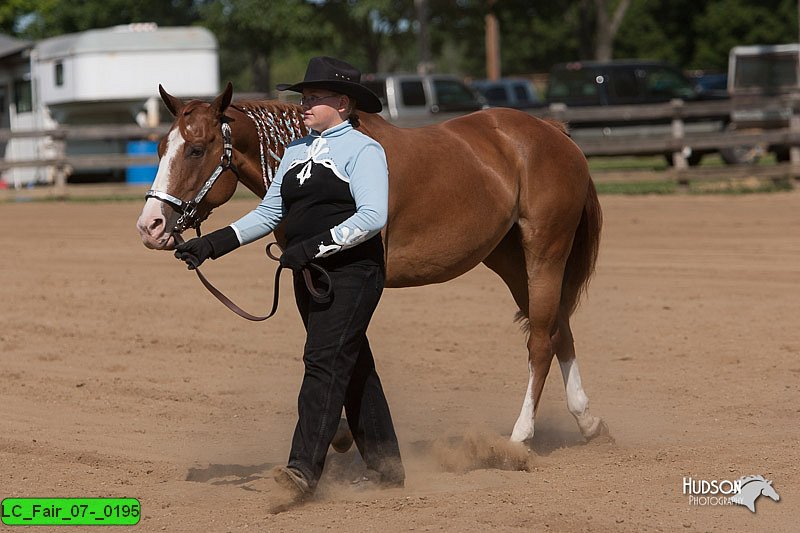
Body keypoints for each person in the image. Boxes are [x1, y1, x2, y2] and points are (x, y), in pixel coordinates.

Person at [174, 56, 404, 510]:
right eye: (303, 97)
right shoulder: (297, 151)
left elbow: (374, 215)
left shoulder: (363, 150)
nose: (304, 104)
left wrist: (316, 247)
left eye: (314, 98)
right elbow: (269, 212)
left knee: (322, 361)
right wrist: (214, 244)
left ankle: (302, 472)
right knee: (352, 364)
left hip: (355, 273)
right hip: (309, 274)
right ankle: (386, 468)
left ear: (342, 103)